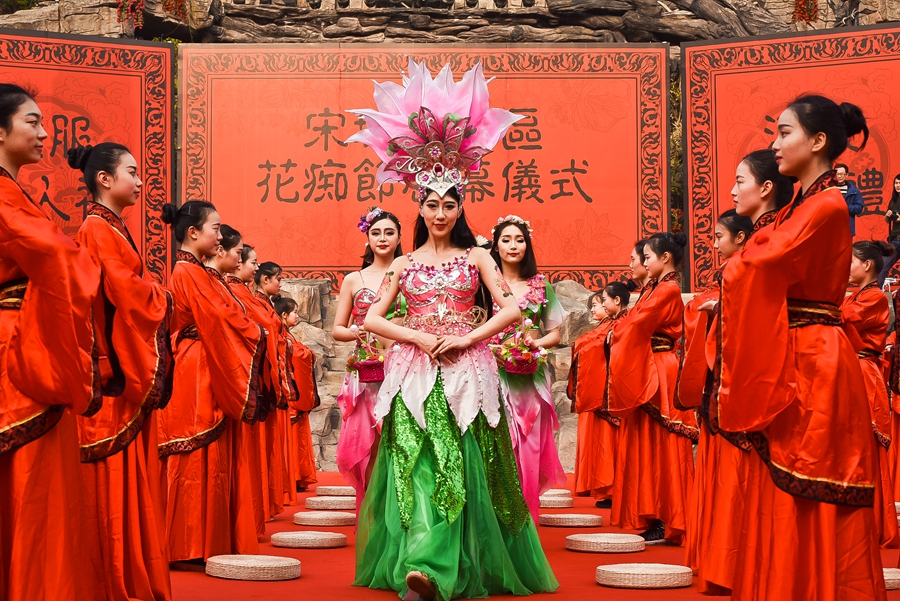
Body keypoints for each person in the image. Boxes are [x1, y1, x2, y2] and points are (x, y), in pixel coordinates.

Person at [348, 59, 558, 601]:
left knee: (465, 458)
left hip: (468, 367)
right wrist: (417, 337)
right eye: (431, 205)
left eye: (448, 204)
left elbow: (511, 310)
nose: (440, 213)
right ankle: (424, 561)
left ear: (461, 206)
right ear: (418, 207)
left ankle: (452, 562)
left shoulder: (478, 256)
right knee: (415, 456)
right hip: (413, 369)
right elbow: (371, 319)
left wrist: (467, 337)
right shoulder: (403, 263)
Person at [718, 94, 886, 600]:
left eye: (785, 132)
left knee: (806, 486)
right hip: (793, 349)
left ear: (818, 141)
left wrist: (739, 261)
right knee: (784, 488)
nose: (775, 143)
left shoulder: (827, 205)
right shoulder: (802, 205)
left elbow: (755, 263)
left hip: (814, 357)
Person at [0, 83, 102, 601]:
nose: (44, 133)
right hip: (19, 347)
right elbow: (59, 256)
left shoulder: (15, 192)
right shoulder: (3, 194)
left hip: (29, 334)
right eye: (32, 121)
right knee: (32, 482)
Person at [68, 142, 173, 601]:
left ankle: (126, 574)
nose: (140, 181)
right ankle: (112, 580)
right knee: (113, 481)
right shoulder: (96, 227)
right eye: (131, 171)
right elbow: (126, 293)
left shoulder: (111, 226)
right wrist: (163, 296)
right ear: (105, 179)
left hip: (122, 362)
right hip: (112, 369)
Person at [158, 203, 264, 563]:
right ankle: (190, 545)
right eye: (215, 229)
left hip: (206, 361)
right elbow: (219, 316)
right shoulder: (188, 272)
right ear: (193, 232)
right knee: (198, 448)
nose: (220, 236)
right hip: (198, 366)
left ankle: (208, 543)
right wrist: (257, 332)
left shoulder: (197, 271)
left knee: (211, 452)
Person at [605, 232, 697, 544]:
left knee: (663, 442)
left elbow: (636, 322)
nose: (644, 263)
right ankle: (655, 513)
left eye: (647, 257)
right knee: (650, 441)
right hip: (651, 363)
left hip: (660, 366)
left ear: (665, 258)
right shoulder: (655, 287)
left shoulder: (668, 289)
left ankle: (670, 517)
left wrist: (615, 332)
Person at [679, 209, 753, 595]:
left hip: (737, 381)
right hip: (719, 380)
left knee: (733, 477)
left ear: (740, 238)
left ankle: (732, 560)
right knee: (719, 474)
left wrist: (719, 309)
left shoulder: (748, 266)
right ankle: (717, 556)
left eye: (719, 236)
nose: (714, 243)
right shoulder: (730, 271)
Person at [489, 215, 567, 522]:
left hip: (530, 375)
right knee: (496, 442)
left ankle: (526, 519)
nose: (513, 246)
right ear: (495, 245)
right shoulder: (485, 284)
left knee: (529, 442)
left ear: (527, 245)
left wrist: (535, 345)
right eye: (506, 240)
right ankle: (496, 520)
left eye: (519, 240)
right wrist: (491, 348)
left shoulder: (541, 285)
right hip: (491, 373)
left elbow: (555, 334)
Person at [332, 207, 404, 511]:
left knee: (402, 438)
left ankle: (402, 511)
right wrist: (358, 331)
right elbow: (337, 329)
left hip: (404, 366)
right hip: (367, 370)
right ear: (368, 238)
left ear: (399, 237)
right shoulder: (354, 279)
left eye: (389, 232)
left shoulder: (408, 273)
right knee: (370, 441)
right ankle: (372, 512)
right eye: (376, 233)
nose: (382, 238)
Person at [225, 240, 283, 534]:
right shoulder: (235, 292)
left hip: (260, 373)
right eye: (251, 261)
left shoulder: (245, 294)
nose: (255, 267)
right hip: (244, 375)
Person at [842, 240, 898, 548]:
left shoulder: (874, 297)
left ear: (867, 265)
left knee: (864, 451)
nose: (846, 267)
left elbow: (844, 318)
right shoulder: (856, 295)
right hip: (853, 371)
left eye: (851, 261)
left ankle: (872, 525)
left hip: (864, 374)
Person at [569, 282, 631, 507]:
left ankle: (613, 489)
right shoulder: (613, 322)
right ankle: (606, 487)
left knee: (610, 441)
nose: (601, 306)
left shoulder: (622, 322)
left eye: (602, 301)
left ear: (616, 301)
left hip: (612, 388)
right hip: (604, 386)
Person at [274, 295, 319, 495]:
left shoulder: (287, 334)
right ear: (284, 315)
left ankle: (298, 477)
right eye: (295, 312)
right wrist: (307, 353)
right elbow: (295, 355)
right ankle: (292, 477)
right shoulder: (281, 334)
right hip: (290, 394)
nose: (297, 316)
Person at [732, 148, 795, 233]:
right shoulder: (777, 231)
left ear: (766, 188)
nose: (733, 192)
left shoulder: (769, 236)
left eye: (740, 182)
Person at [879, 174, 900, 285]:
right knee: (883, 266)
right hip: (895, 239)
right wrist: (888, 216)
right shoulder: (893, 201)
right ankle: (875, 293)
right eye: (896, 183)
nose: (898, 185)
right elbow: (887, 220)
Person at [835, 163, 864, 236]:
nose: (839, 176)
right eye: (837, 174)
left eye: (841, 174)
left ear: (847, 175)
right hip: (831, 227)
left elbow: (859, 207)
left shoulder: (853, 190)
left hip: (847, 228)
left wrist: (845, 208)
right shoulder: (828, 189)